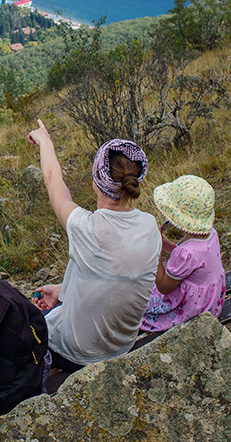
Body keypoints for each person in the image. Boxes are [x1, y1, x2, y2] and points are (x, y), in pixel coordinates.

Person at [26, 119, 161, 372]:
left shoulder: (85, 228)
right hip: (122, 347)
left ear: (96, 180)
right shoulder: (150, 227)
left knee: (20, 324)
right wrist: (65, 291)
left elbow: (52, 178)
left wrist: (44, 139)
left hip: (75, 354)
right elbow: (116, 279)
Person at [140, 175, 226, 332]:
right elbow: (194, 261)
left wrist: (157, 252)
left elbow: (164, 287)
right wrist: (167, 245)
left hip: (193, 310)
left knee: (138, 306)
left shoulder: (185, 253)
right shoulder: (211, 234)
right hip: (212, 302)